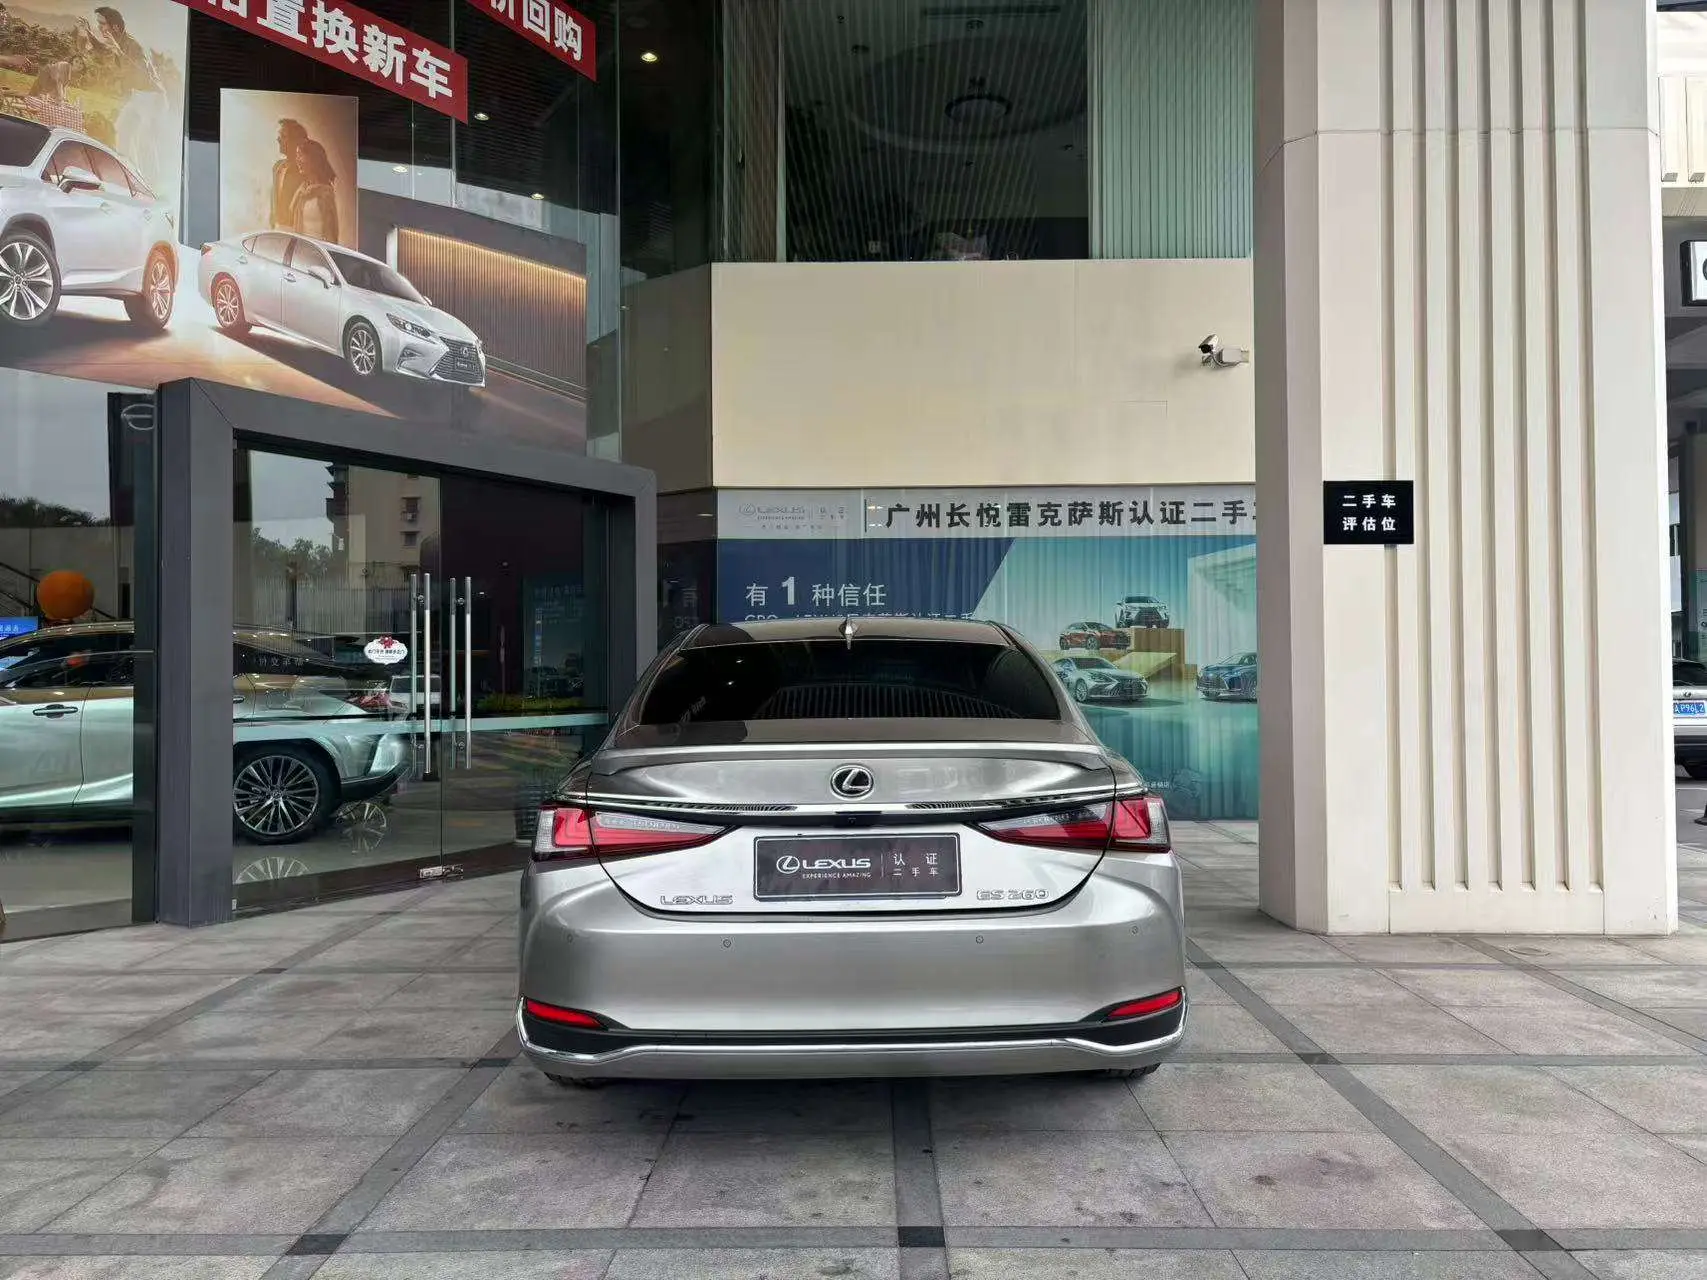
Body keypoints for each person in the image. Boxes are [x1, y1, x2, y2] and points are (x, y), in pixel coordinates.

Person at [87, 8, 164, 188]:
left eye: (102, 24)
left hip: (153, 96)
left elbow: (141, 73)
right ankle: (131, 177)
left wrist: (119, 51)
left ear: (115, 26)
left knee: (145, 140)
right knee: (121, 131)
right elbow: (104, 50)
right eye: (98, 24)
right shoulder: (118, 42)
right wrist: (89, 34)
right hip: (137, 95)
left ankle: (152, 184)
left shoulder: (133, 45)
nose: (100, 27)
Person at [288, 138, 338, 243]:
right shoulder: (302, 192)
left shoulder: (325, 193)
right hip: (301, 248)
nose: (297, 160)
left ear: (313, 159)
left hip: (318, 248)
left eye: (300, 155)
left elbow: (331, 233)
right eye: (296, 156)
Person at [270, 118, 308, 231]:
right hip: (278, 228)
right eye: (279, 135)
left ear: (294, 141)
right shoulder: (277, 167)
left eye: (283, 136)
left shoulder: (305, 170)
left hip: (298, 230)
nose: (278, 139)